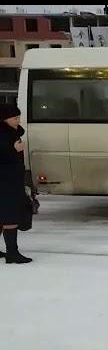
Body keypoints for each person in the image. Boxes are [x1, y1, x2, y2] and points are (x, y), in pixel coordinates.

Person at [0, 105, 33, 263]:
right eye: (14, 118)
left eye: (18, 117)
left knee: (4, 214)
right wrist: (13, 149)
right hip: (5, 179)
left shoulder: (14, 132)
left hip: (12, 177)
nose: (17, 120)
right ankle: (12, 253)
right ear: (4, 118)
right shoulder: (3, 133)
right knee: (10, 215)